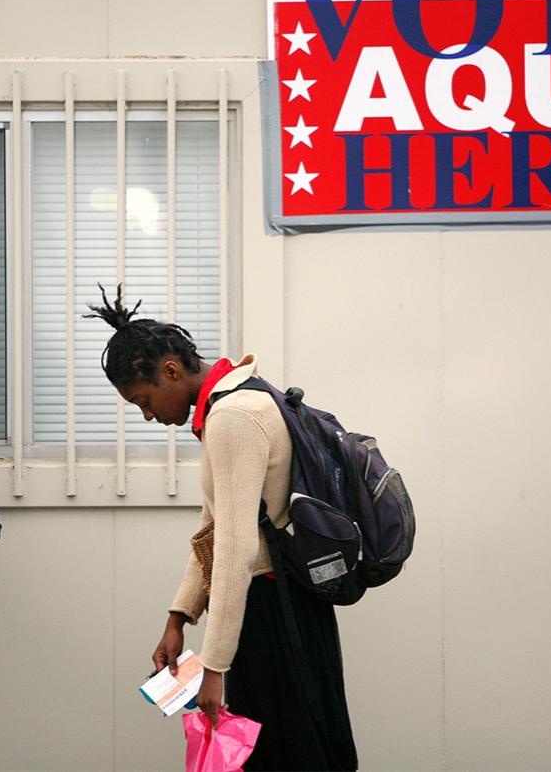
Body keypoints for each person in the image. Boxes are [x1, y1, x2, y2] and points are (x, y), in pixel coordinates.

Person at [86, 286, 357, 771]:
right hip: (286, 605)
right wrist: (179, 617)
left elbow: (235, 546)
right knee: (302, 746)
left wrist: (215, 667)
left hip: (277, 613)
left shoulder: (233, 417)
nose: (149, 415)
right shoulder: (241, 399)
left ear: (171, 371)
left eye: (143, 400)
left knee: (291, 754)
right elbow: (214, 529)